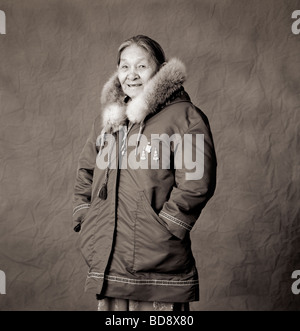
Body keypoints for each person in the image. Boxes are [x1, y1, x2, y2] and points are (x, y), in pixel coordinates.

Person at [72, 35, 217, 311]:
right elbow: (86, 171)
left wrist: (166, 229)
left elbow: (197, 183)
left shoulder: (184, 117)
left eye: (141, 66)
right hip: (108, 263)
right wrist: (85, 216)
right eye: (124, 66)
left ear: (160, 70)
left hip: (157, 269)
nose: (131, 75)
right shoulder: (108, 122)